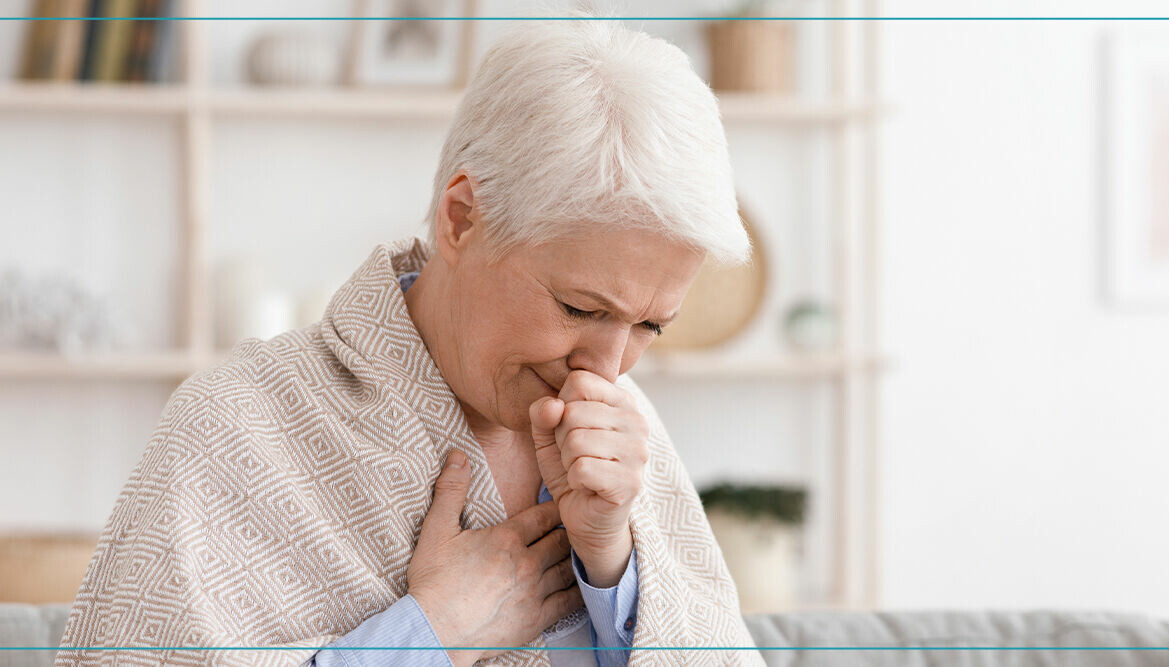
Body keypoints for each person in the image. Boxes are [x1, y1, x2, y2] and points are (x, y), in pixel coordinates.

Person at [56, 15, 762, 667]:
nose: (608, 369)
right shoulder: (236, 422)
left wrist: (612, 567)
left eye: (648, 326)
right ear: (460, 218)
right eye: (580, 307)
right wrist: (430, 633)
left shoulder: (631, 434)